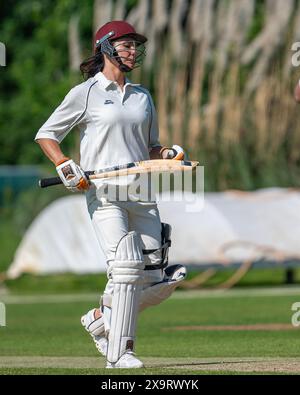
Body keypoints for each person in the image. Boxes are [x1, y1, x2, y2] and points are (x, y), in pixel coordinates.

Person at [35, 20, 187, 369]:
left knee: (153, 279)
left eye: (136, 46)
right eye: (127, 45)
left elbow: (149, 147)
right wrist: (65, 165)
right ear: (106, 47)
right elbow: (47, 134)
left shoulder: (142, 96)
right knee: (126, 267)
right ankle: (121, 354)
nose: (134, 52)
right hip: (104, 194)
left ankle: (99, 320)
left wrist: (166, 154)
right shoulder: (85, 92)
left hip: (141, 193)